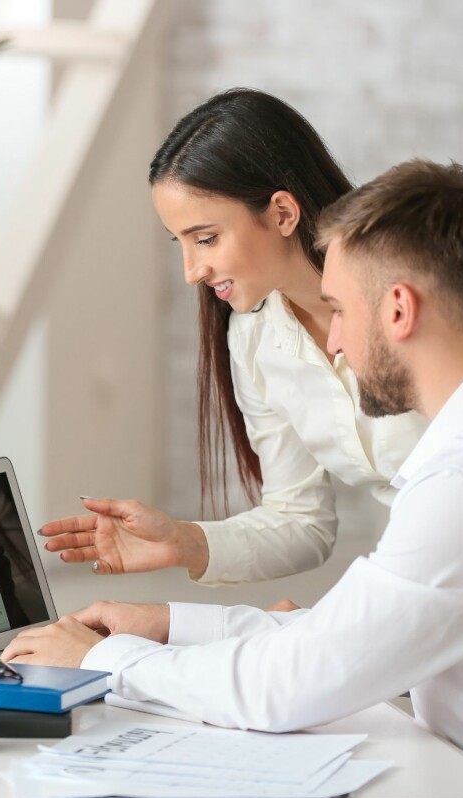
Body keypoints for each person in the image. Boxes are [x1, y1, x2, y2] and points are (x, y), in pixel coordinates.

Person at [3, 159, 463, 798]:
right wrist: (168, 623)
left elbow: (288, 686)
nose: (331, 342)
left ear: (398, 309)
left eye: (336, 309)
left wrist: (98, 661)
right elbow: (357, 632)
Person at [43, 88, 427, 585]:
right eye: (180, 242)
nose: (190, 271)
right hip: (421, 568)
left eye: (205, 238)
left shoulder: (408, 294)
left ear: (283, 214)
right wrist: (181, 542)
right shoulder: (255, 338)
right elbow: (299, 520)